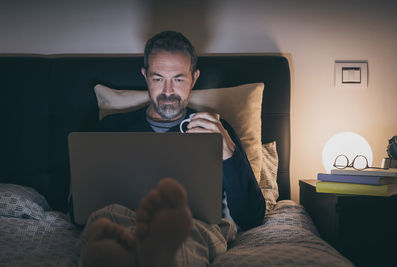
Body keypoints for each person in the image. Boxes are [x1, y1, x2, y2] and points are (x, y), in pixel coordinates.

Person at [80, 30, 265, 266]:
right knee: (103, 221)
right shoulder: (112, 128)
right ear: (145, 75)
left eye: (178, 79)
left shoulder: (216, 129)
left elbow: (252, 217)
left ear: (194, 78)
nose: (168, 91)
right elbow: (77, 208)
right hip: (121, 219)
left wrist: (229, 154)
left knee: (179, 236)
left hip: (192, 223)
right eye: (158, 79)